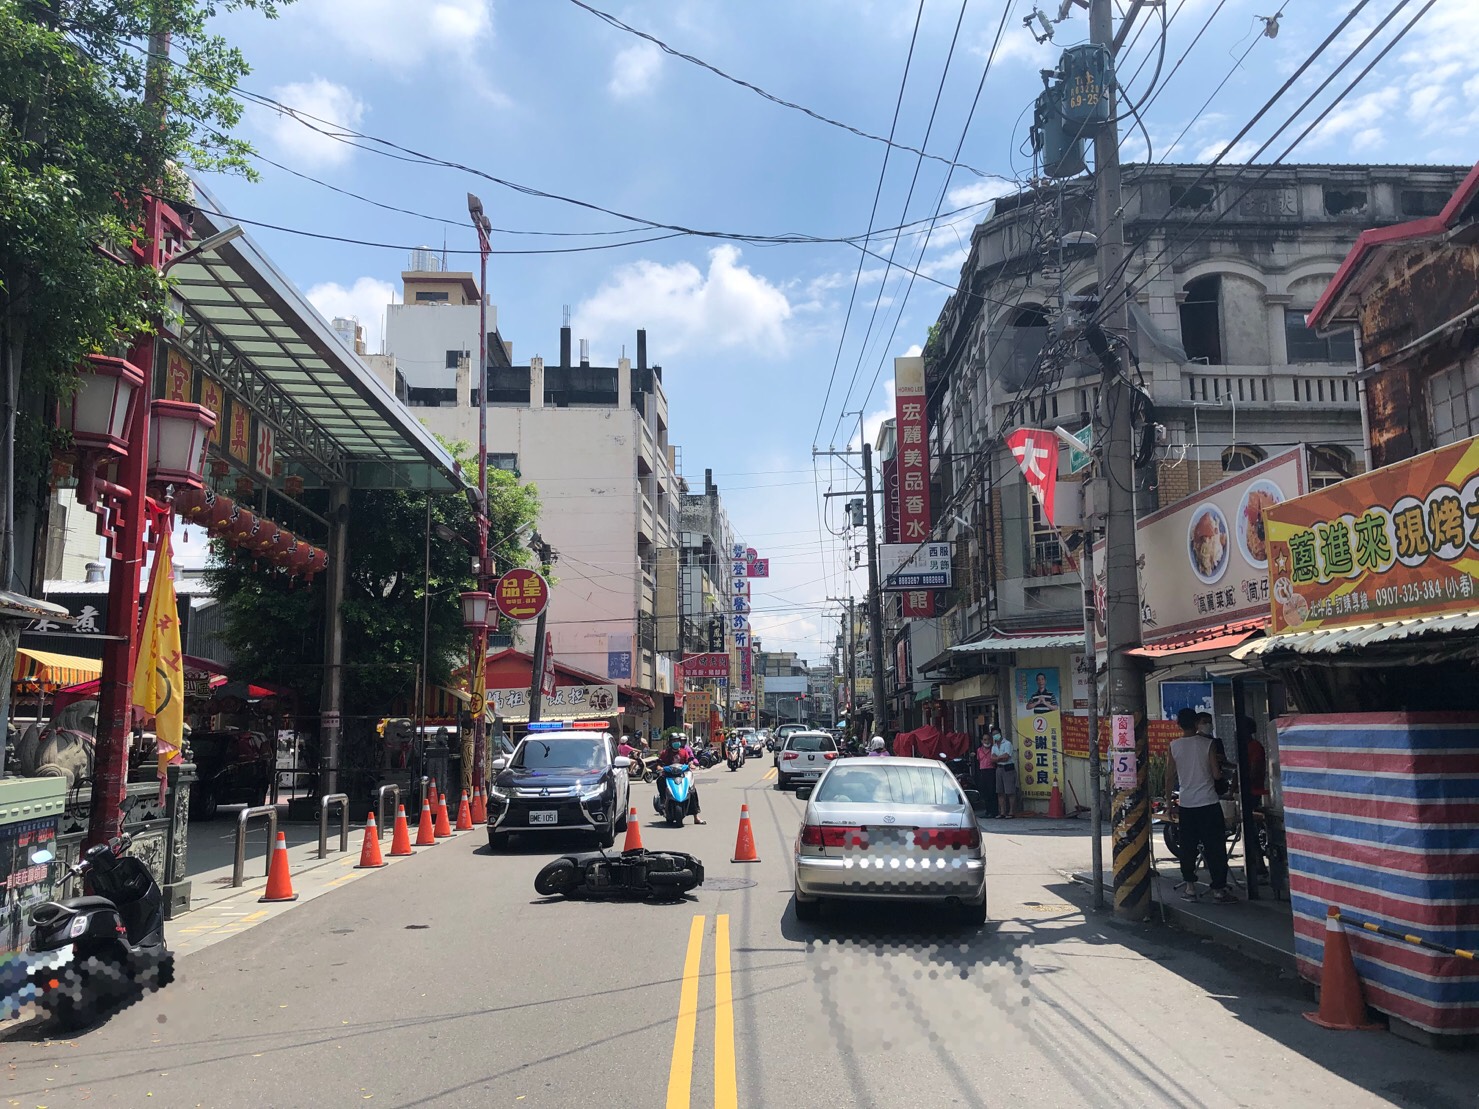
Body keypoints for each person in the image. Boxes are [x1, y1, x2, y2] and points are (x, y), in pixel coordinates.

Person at [1166, 707, 1235, 903]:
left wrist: (1169, 802)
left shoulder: (1174, 746)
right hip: (1208, 803)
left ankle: (1190, 888)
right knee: (1215, 847)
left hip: (1187, 803)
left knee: (1188, 847)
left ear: (1178, 725)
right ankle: (1218, 890)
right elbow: (1216, 774)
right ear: (1197, 724)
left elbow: (1169, 777)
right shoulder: (1208, 744)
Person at [657, 736, 705, 824]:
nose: (676, 742)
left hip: (682, 775)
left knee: (692, 791)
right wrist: (660, 767)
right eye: (674, 740)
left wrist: (691, 764)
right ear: (670, 742)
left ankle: (696, 817)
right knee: (660, 780)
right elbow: (659, 763)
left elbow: (689, 761)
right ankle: (663, 802)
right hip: (669, 775)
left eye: (677, 740)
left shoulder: (684, 752)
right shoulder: (665, 752)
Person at [990, 729, 1017, 818]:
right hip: (999, 769)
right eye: (993, 734)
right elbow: (992, 759)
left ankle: (1011, 812)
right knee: (1000, 791)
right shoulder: (994, 746)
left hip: (1008, 768)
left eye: (996, 733)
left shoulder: (1007, 743)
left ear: (1000, 734)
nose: (995, 735)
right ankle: (1002, 812)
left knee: (1010, 791)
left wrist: (997, 758)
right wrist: (999, 758)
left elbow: (1006, 757)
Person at [975, 733, 998, 817]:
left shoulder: (994, 749)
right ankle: (987, 811)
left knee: (992, 791)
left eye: (988, 739)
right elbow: (978, 760)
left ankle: (994, 811)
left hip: (991, 771)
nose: (987, 741)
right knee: (985, 792)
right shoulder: (979, 750)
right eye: (985, 740)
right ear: (982, 741)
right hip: (983, 771)